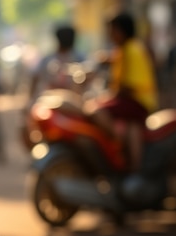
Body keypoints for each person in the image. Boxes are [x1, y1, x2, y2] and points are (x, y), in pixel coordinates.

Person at [87, 13, 158, 172]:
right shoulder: (124, 50)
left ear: (122, 30)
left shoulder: (132, 50)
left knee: (96, 111)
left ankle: (118, 144)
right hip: (132, 100)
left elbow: (129, 87)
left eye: (113, 31)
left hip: (138, 102)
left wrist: (107, 98)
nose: (110, 35)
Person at [29, 25, 85, 100]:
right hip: (51, 98)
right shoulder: (48, 59)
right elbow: (35, 78)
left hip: (73, 100)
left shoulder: (79, 58)